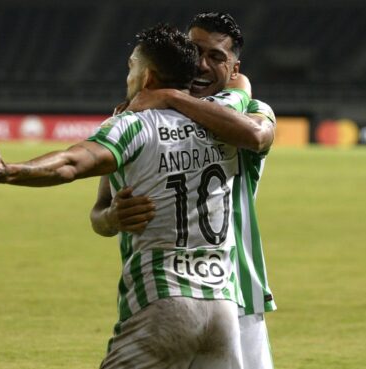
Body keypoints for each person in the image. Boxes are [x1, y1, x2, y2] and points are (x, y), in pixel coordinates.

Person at [0, 24, 257, 368]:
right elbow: (240, 85)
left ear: (148, 77)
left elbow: (71, 163)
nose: (128, 74)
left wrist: (10, 171)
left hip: (162, 300)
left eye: (132, 66)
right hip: (222, 307)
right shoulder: (228, 114)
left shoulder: (132, 125)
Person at [90, 12, 277, 369]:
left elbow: (255, 136)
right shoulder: (140, 119)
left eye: (216, 57)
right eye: (195, 52)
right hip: (165, 294)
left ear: (235, 69)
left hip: (235, 294)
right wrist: (111, 217)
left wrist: (170, 97)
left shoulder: (252, 111)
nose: (202, 65)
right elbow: (99, 212)